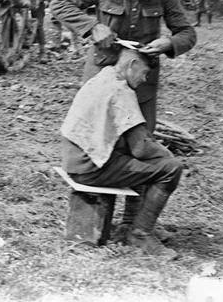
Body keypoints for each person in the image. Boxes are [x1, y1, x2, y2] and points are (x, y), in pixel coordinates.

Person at [50, 0, 196, 134]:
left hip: (141, 75)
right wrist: (92, 27)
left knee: (140, 134)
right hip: (103, 67)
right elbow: (59, 4)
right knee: (92, 129)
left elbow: (187, 33)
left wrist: (168, 43)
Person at [60, 48, 183, 255]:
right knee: (171, 169)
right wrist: (166, 155)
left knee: (145, 163)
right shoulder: (121, 91)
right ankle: (140, 234)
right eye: (144, 73)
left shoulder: (103, 76)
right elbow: (141, 148)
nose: (144, 79)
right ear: (132, 64)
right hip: (90, 168)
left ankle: (132, 223)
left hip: (75, 159)